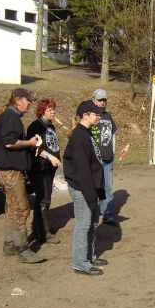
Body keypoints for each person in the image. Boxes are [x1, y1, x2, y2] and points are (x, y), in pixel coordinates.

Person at [0, 87, 44, 263]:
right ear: (18, 101)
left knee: (13, 208)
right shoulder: (11, 117)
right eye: (28, 100)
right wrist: (30, 143)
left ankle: (10, 245)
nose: (30, 104)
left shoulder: (9, 116)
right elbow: (10, 143)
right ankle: (22, 249)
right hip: (10, 171)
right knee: (22, 208)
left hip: (6, 171)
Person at [63, 100, 108, 276]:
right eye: (96, 114)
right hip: (82, 188)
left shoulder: (86, 133)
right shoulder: (79, 136)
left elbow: (94, 163)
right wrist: (90, 195)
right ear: (85, 115)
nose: (98, 117)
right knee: (83, 225)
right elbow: (82, 169)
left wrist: (99, 191)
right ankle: (80, 264)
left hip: (91, 188)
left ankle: (89, 256)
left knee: (92, 223)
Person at [27, 98, 62, 244]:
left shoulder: (51, 126)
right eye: (50, 110)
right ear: (42, 111)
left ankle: (39, 228)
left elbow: (51, 145)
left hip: (49, 168)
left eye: (54, 109)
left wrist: (56, 158)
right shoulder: (35, 126)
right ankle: (43, 233)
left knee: (45, 198)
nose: (53, 112)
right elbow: (35, 148)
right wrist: (50, 157)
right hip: (39, 168)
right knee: (43, 200)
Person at [91, 89, 118, 225]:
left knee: (107, 187)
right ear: (93, 100)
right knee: (94, 188)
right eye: (100, 100)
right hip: (94, 160)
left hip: (108, 159)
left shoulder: (108, 116)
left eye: (104, 100)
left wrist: (113, 151)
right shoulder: (90, 116)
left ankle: (108, 216)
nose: (102, 102)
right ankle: (93, 216)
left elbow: (113, 134)